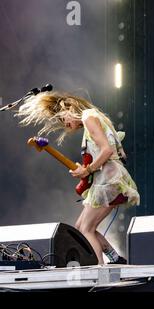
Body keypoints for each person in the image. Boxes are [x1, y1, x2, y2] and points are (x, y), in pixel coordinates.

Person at [16, 91, 140, 264]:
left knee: (87, 229)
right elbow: (112, 153)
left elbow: (107, 150)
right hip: (107, 179)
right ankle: (115, 258)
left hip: (109, 180)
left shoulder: (89, 116)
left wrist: (88, 170)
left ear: (69, 108)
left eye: (62, 118)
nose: (64, 124)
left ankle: (100, 271)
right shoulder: (94, 118)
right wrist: (86, 170)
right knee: (80, 229)